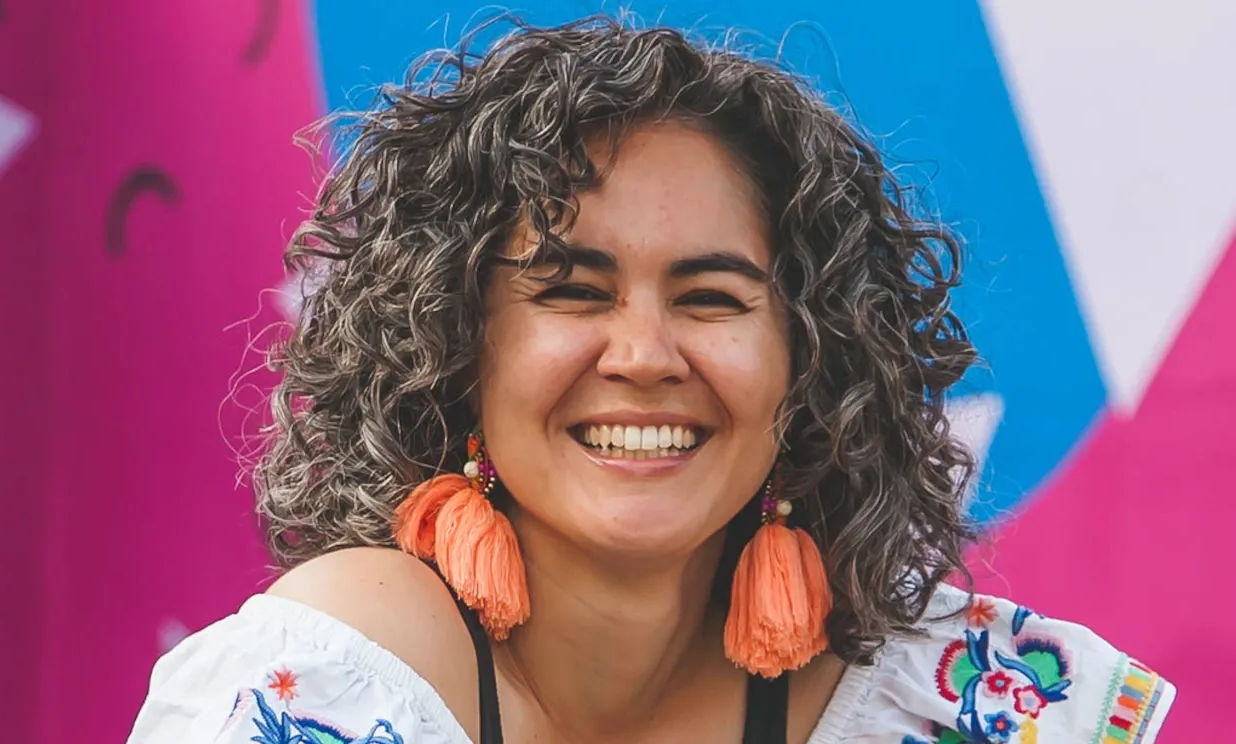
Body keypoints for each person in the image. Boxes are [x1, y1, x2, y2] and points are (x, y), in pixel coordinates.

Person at [127, 17, 1175, 744]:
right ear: (455, 350)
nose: (642, 353)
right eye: (573, 290)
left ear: (808, 366)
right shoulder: (345, 666)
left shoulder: (957, 700)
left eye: (712, 298)